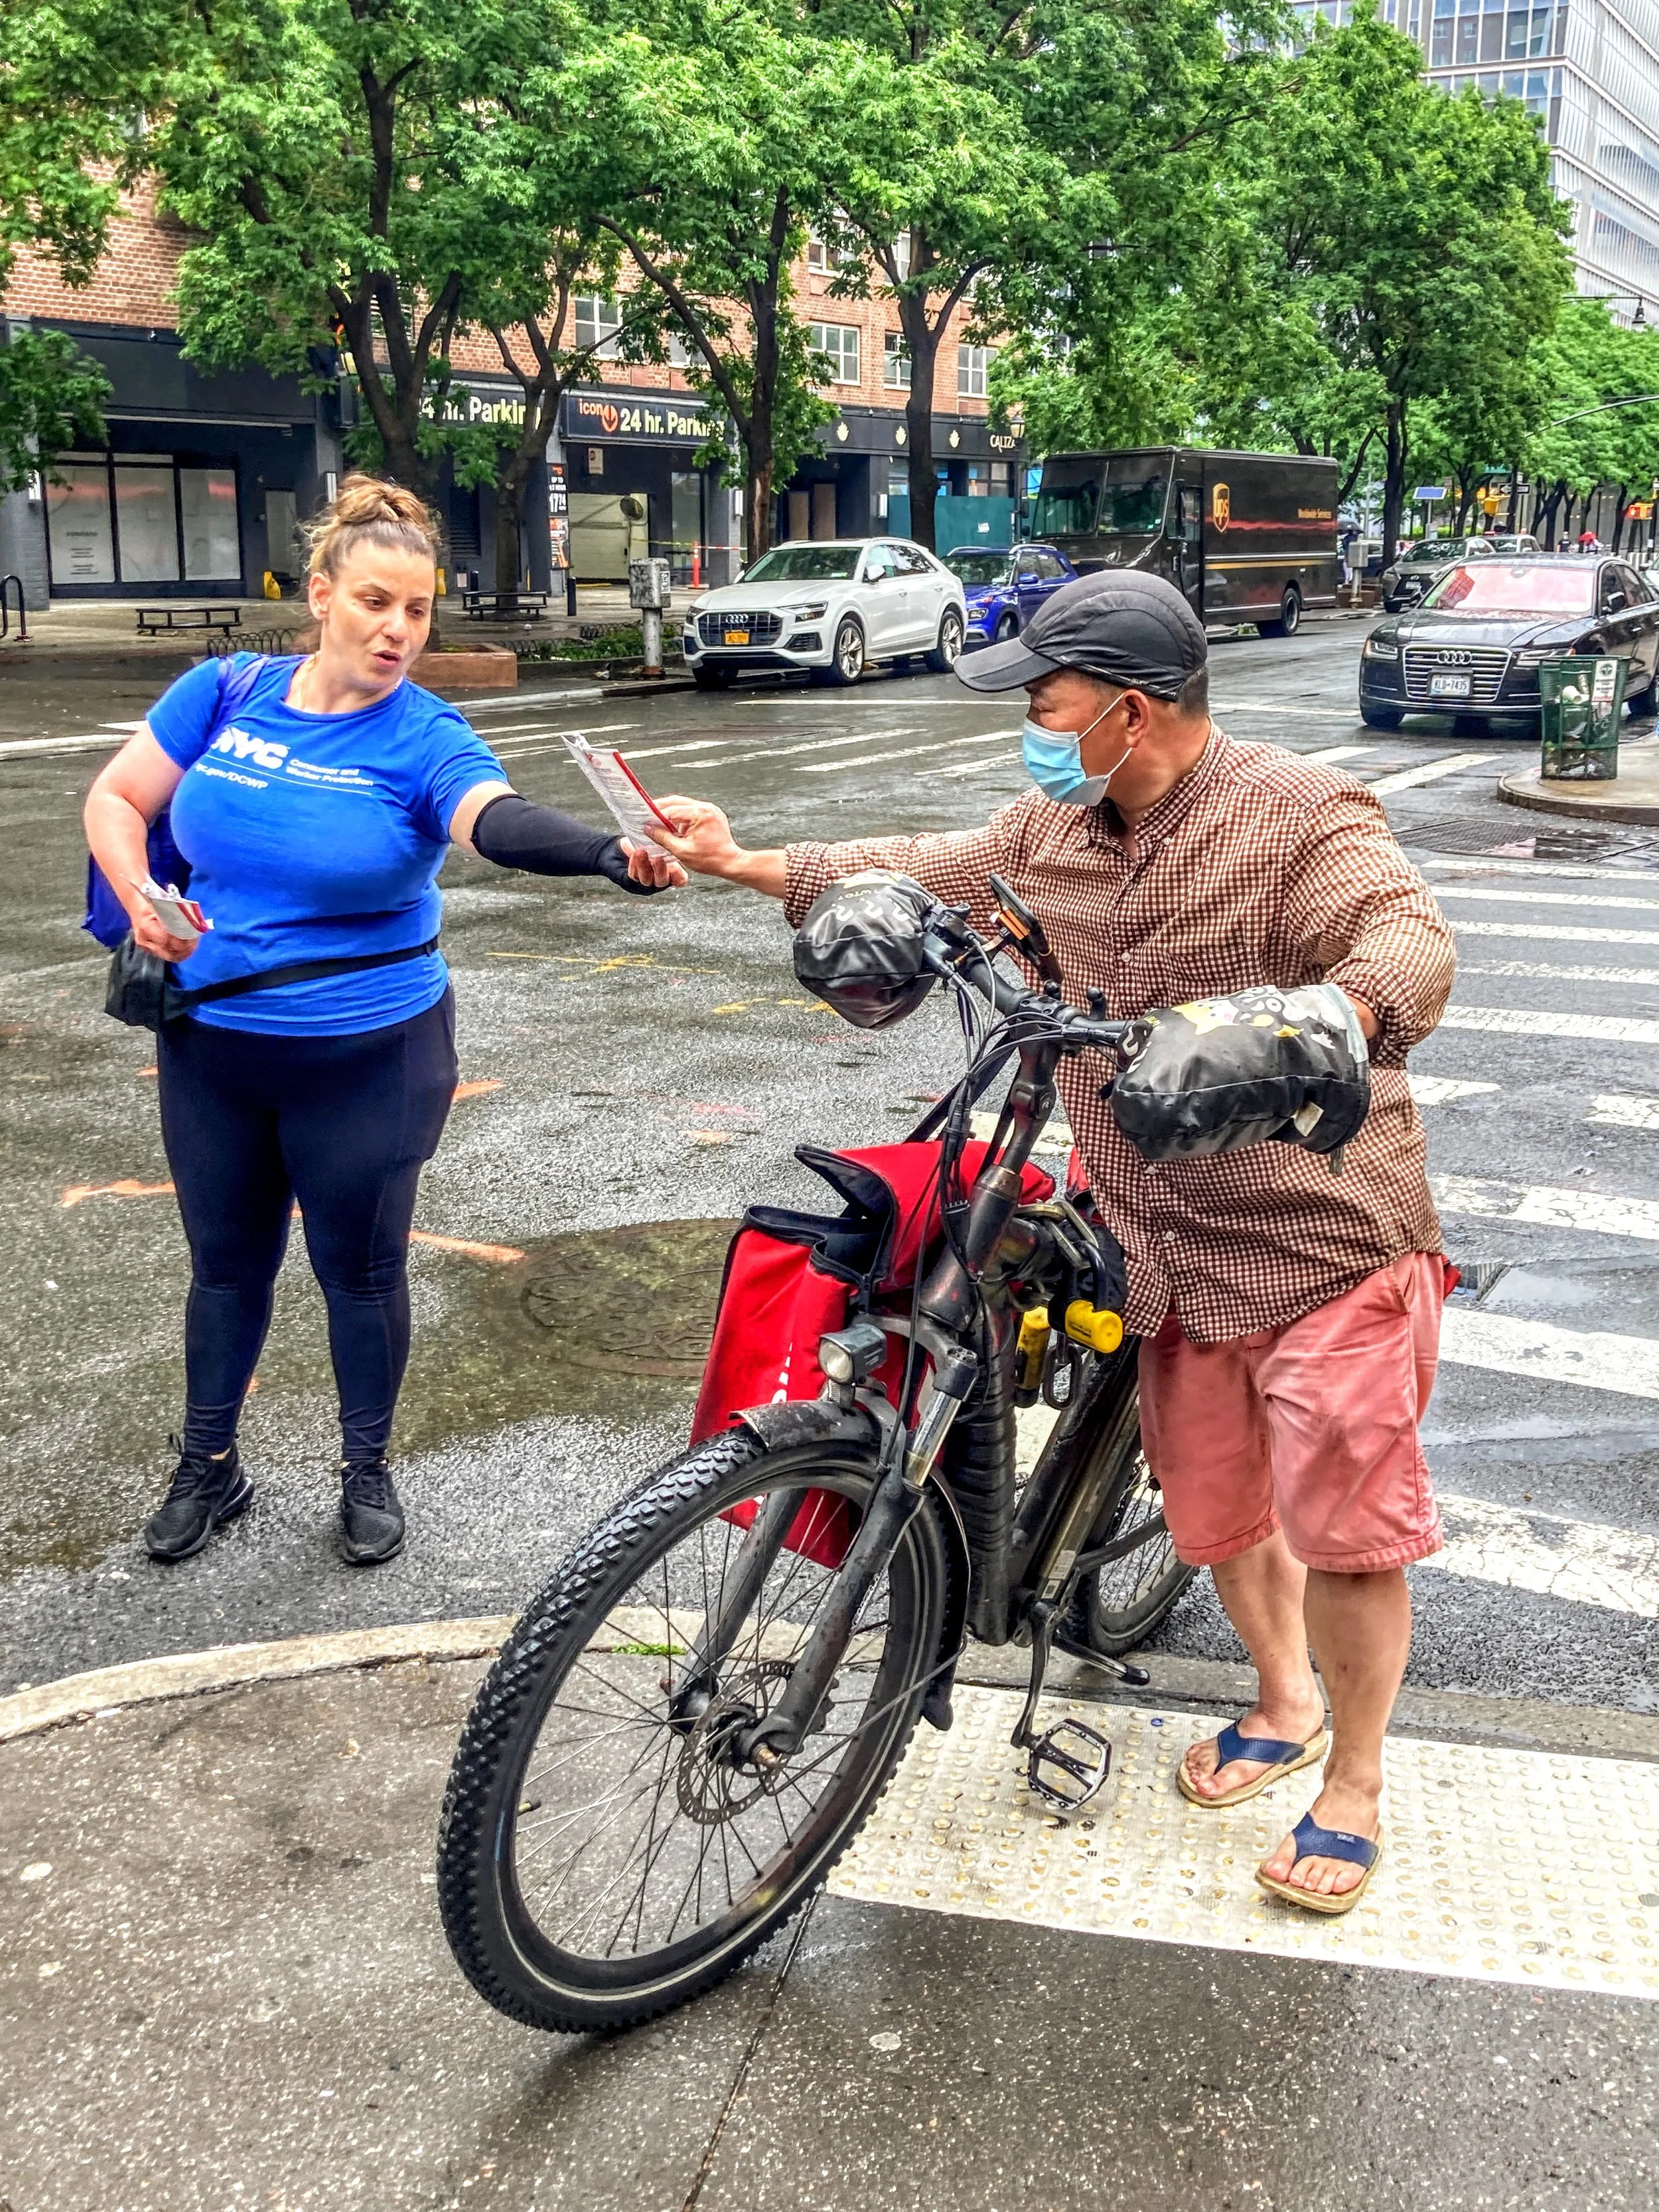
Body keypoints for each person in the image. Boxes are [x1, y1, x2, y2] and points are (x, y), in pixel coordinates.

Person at [653, 570, 1457, 1916]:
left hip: (1322, 1242)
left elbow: (1404, 937)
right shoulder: (1051, 825)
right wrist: (748, 863)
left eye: (1045, 701)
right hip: (1161, 1239)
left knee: (1346, 1530)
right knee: (1216, 1506)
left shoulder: (1300, 814)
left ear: (1129, 711)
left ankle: (1356, 1781)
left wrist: (1319, 1019)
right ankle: (1284, 1701)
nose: (1030, 723)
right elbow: (935, 866)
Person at [84, 474, 685, 1568]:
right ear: (321, 595)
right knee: (225, 1267)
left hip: (370, 1056)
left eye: (417, 609)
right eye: (374, 602)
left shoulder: (423, 735)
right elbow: (119, 798)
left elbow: (492, 820)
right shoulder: (226, 690)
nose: (397, 629)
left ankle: (366, 1469)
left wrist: (606, 853)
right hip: (212, 1044)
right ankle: (208, 1466)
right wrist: (140, 896)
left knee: (359, 1274)